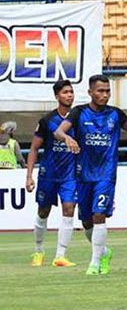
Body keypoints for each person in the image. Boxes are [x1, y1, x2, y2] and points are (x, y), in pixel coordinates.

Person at [55, 74, 127, 275]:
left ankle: (94, 264)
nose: (105, 95)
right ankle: (104, 252)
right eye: (100, 91)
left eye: (107, 91)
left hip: (106, 175)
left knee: (99, 215)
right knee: (86, 222)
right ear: (91, 92)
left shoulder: (115, 114)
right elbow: (58, 131)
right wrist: (67, 138)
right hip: (83, 175)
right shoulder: (78, 112)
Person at [25, 81, 77, 267]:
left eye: (71, 92)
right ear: (57, 96)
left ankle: (60, 256)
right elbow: (33, 149)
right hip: (48, 174)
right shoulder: (46, 120)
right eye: (65, 92)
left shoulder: (78, 118)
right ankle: (39, 251)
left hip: (70, 175)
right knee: (43, 211)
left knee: (69, 209)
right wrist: (29, 175)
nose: (69, 95)